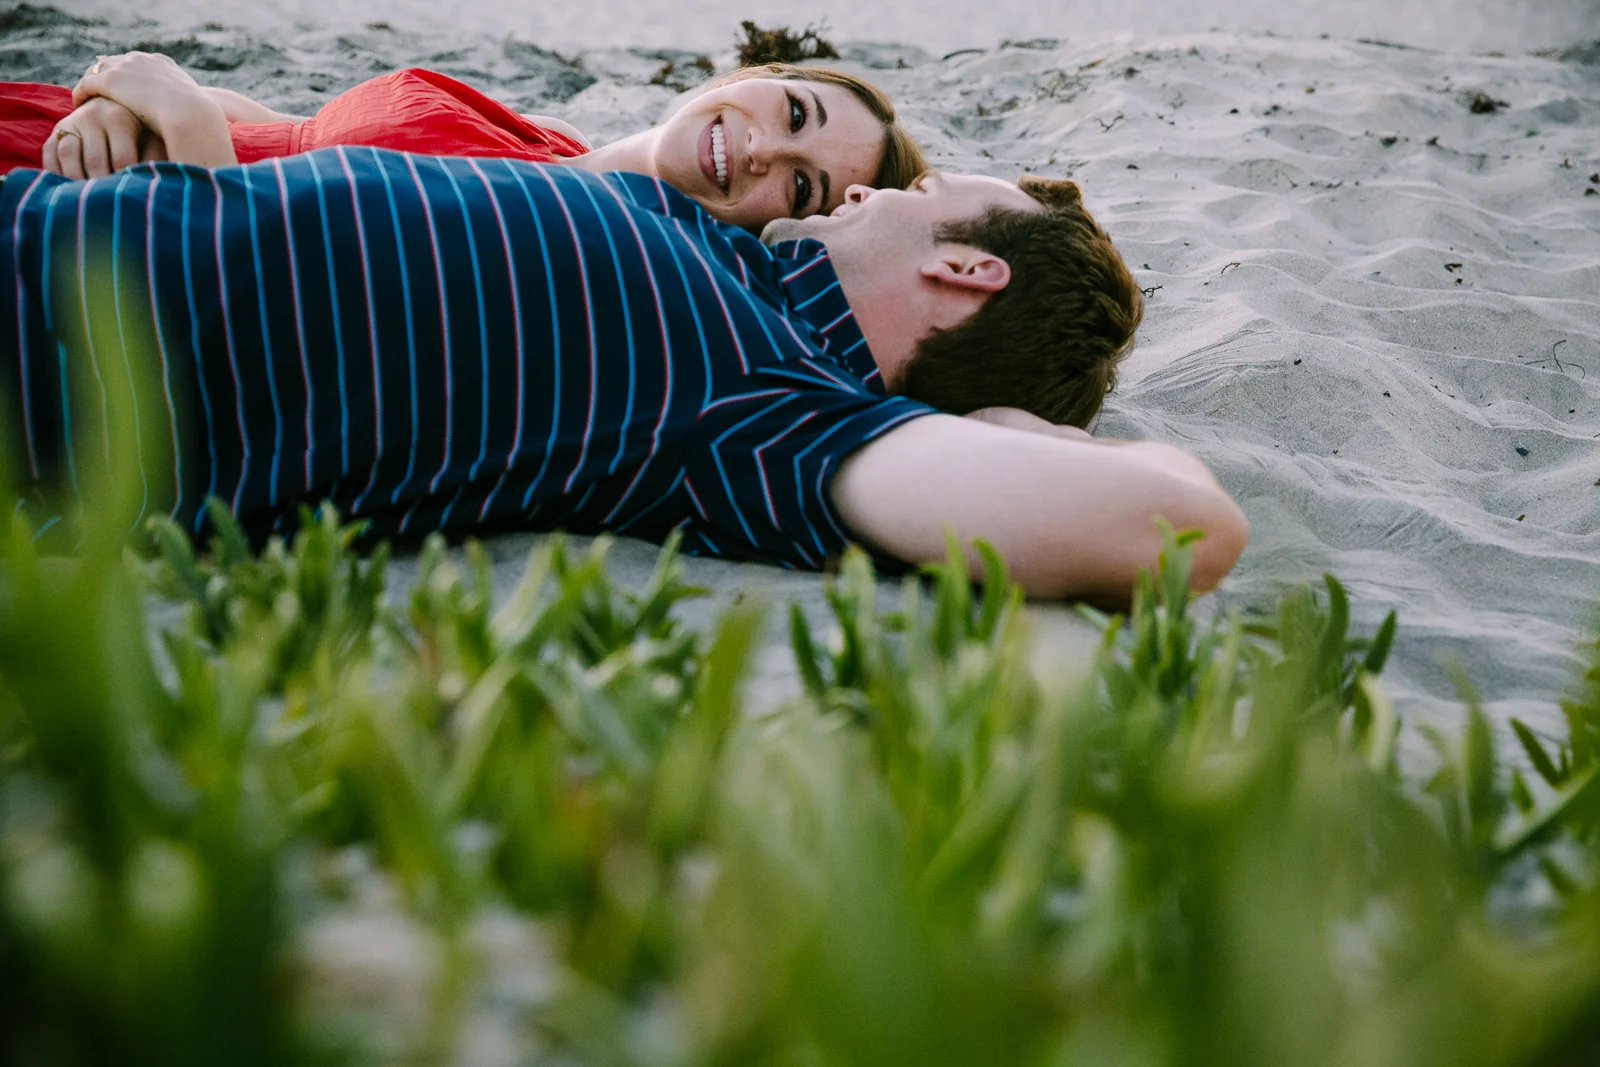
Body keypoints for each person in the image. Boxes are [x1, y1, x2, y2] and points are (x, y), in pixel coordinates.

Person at [0, 151, 1246, 603]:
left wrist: (1032, 424)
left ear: (968, 271)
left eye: (917, 196)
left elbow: (1175, 526)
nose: (870, 187)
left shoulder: (773, 404)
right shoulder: (725, 259)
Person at [0, 51, 927, 230]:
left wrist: (177, 113)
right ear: (747, 82)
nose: (768, 153)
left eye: (801, 188)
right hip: (85, 133)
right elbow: (296, 131)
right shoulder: (553, 141)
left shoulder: (577, 229)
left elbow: (252, 272)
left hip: (103, 215)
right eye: (794, 115)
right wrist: (135, 94)